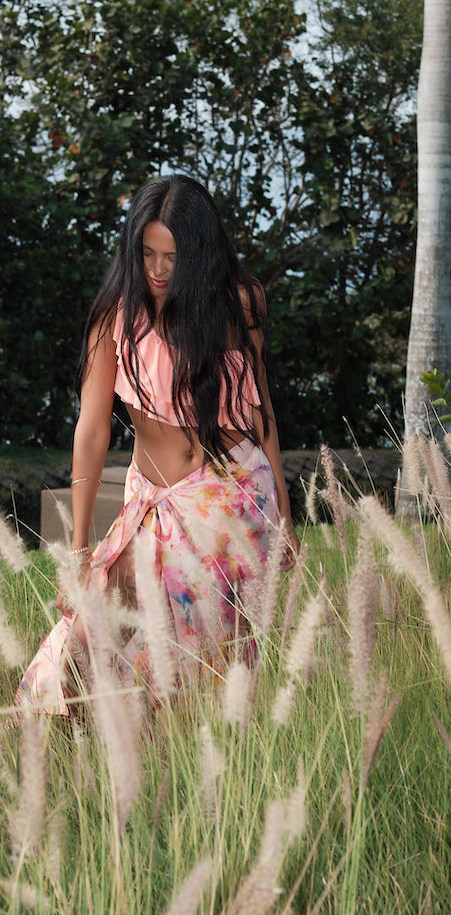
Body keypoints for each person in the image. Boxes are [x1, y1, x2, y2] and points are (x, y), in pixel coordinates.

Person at [16, 175, 299, 716]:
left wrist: (284, 515)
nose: (158, 270)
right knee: (83, 644)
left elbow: (262, 411)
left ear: (199, 251)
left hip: (232, 501)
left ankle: (161, 769)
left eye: (172, 255)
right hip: (152, 499)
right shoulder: (115, 316)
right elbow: (93, 430)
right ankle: (66, 756)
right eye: (146, 253)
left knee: (183, 670)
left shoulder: (241, 302)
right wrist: (78, 549)